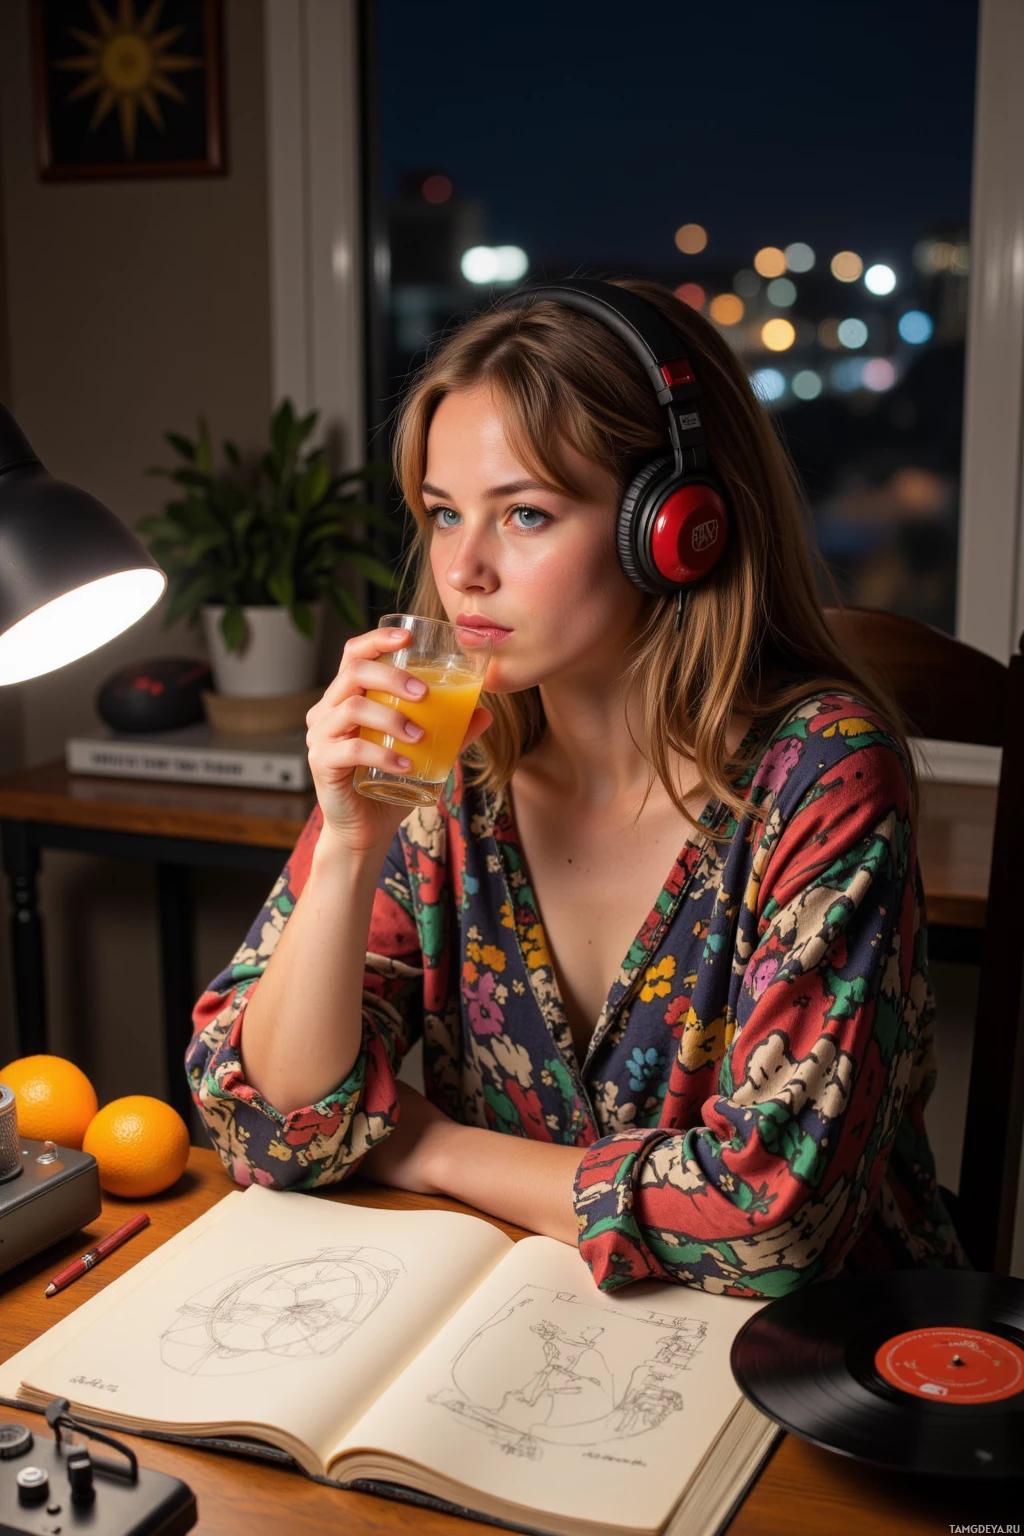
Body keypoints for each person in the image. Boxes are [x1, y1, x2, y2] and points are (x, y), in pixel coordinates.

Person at [186, 276, 970, 1298]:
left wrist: (427, 1149)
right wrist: (349, 845)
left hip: (824, 1373)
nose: (462, 568)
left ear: (676, 529)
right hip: (538, 1324)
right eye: (441, 512)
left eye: (524, 514)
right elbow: (263, 1121)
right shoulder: (446, 763)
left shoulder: (823, 774)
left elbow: (774, 1220)